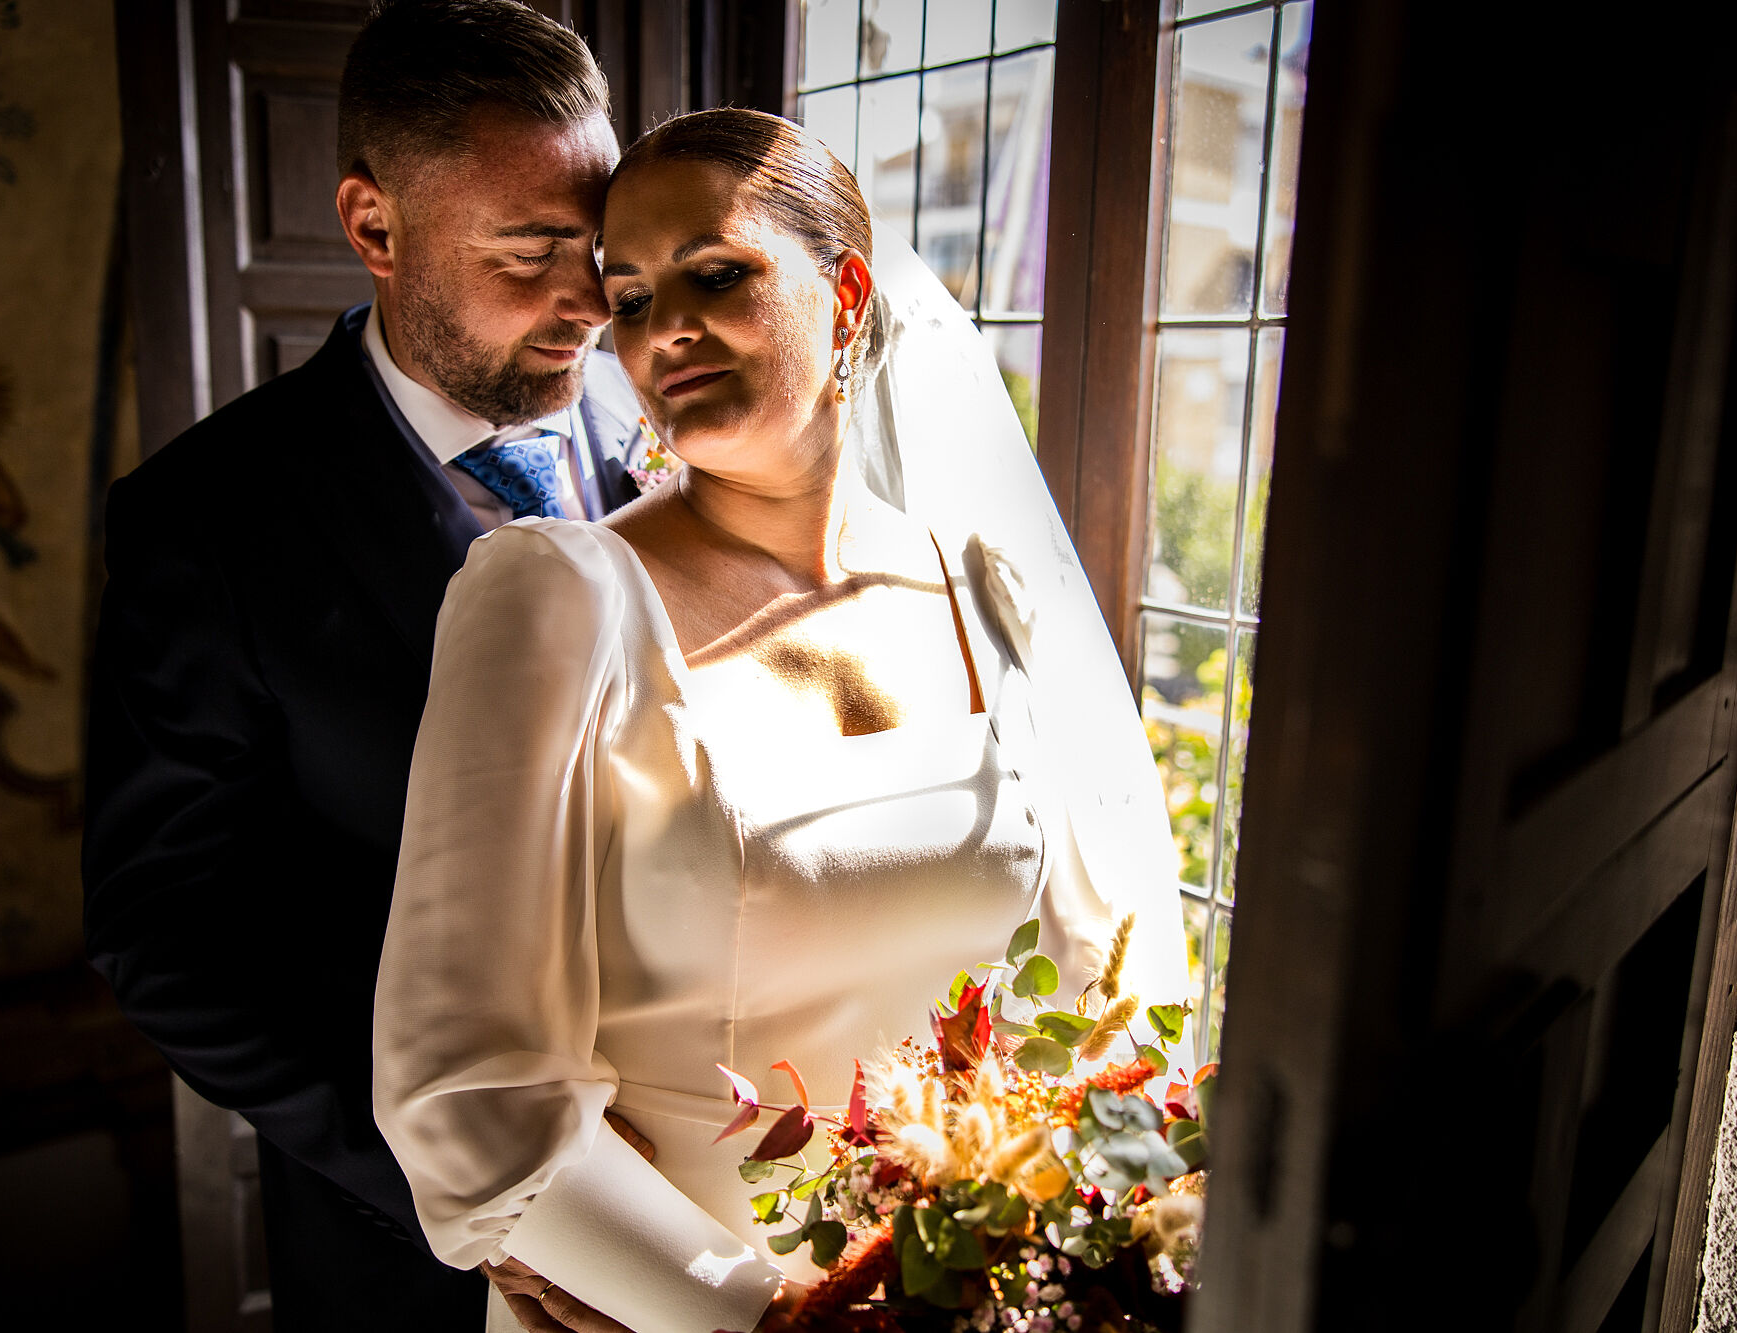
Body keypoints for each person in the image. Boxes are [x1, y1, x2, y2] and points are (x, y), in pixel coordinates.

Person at [372, 108, 1192, 1333]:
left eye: (714, 275)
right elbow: (465, 1086)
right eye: (631, 298)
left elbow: (1084, 976)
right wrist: (774, 1315)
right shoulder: (556, 598)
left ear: (845, 294)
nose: (663, 329)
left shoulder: (979, 592)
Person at [81, 3, 647, 1327]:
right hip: (418, 1262)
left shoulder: (688, 435)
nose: (589, 301)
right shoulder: (207, 523)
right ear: (375, 227)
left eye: (599, 248)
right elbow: (164, 936)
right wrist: (469, 1193)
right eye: (530, 252)